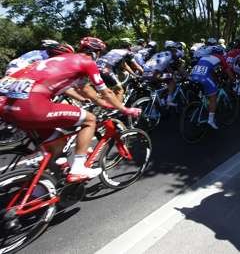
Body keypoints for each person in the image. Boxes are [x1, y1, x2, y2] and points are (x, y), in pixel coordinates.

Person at [0, 36, 141, 182]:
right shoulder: (86, 62)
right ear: (96, 52)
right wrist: (126, 110)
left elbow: (84, 89)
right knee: (90, 120)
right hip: (31, 105)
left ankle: (42, 185)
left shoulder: (53, 61)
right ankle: (78, 169)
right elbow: (106, 92)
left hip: (6, 106)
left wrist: (100, 102)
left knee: (57, 143)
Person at [189, 45, 234, 129]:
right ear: (221, 52)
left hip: (193, 75)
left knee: (205, 92)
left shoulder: (205, 57)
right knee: (213, 97)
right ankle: (211, 120)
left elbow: (211, 71)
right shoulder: (220, 58)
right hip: (204, 77)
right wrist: (233, 79)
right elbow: (227, 70)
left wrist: (215, 79)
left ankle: (200, 107)